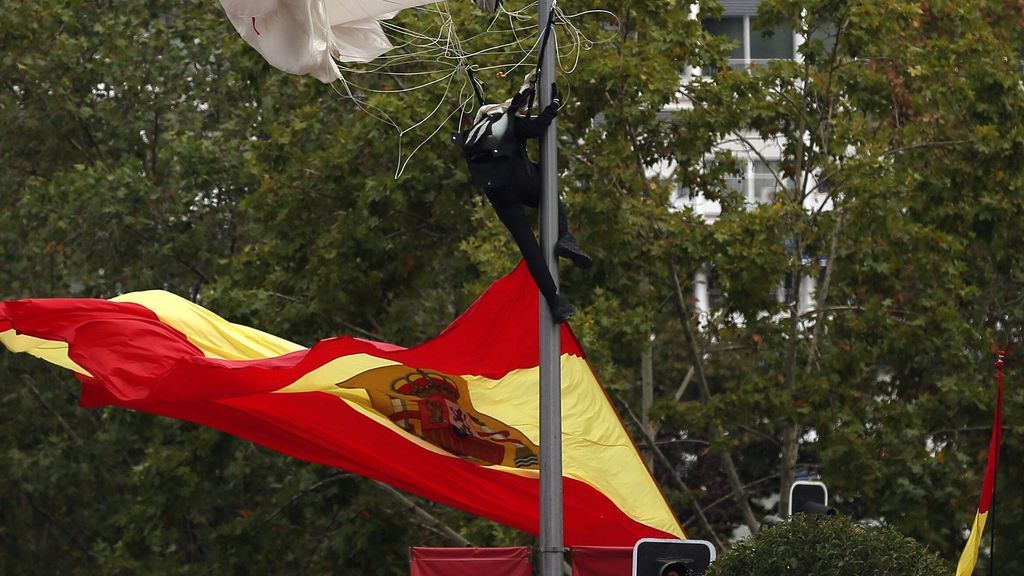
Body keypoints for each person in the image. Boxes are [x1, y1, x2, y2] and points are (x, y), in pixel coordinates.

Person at [458, 78, 592, 323]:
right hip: (522, 181)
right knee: (549, 187)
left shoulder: (475, 137)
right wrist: (553, 104)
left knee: (529, 247)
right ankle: (563, 236)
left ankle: (555, 303)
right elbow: (539, 127)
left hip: (499, 194)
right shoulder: (508, 121)